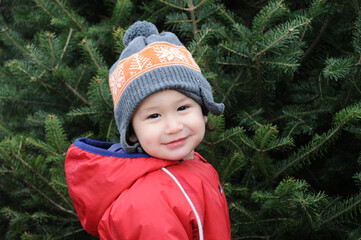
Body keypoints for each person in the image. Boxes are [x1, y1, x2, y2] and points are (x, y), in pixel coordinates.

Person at [65, 21, 231, 240]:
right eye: (154, 116)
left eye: (182, 108)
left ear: (203, 109)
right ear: (131, 133)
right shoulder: (147, 202)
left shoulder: (193, 163)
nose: (173, 127)